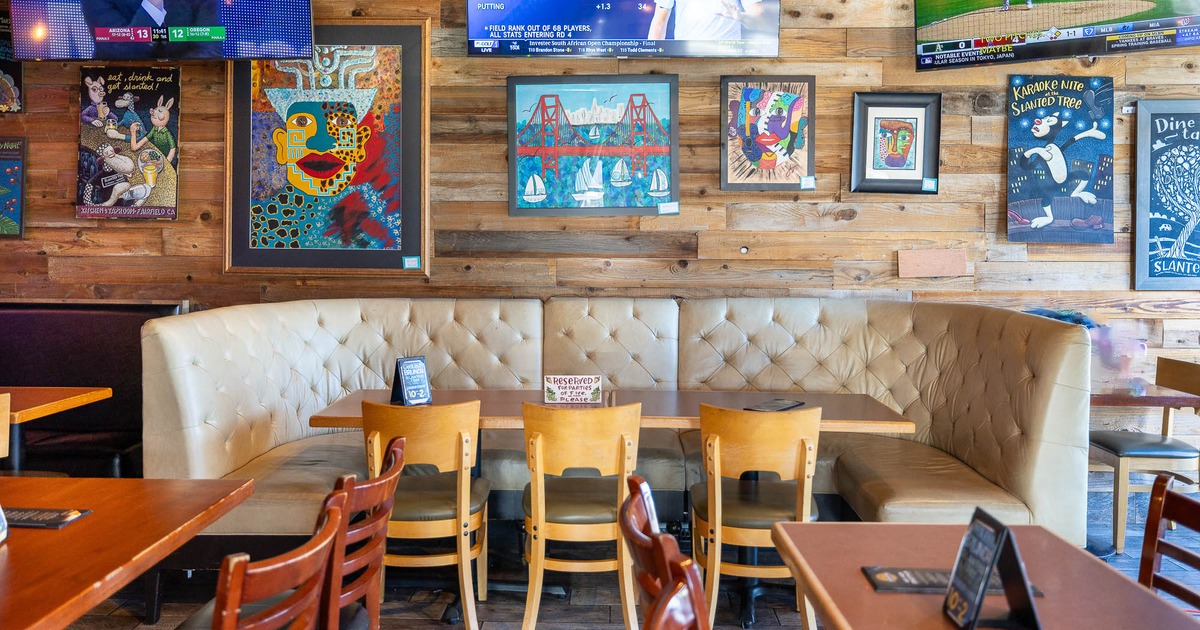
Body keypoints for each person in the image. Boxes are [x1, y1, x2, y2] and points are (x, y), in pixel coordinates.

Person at [81, 0, 220, 58]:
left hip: (188, 90)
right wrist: (153, 5)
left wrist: (169, 77)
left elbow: (211, 50)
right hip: (116, 86)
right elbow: (114, 52)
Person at [647, 0, 765, 41]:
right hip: (684, 57)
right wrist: (651, 61)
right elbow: (659, 23)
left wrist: (739, 16)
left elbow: (759, 22)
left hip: (729, 56)